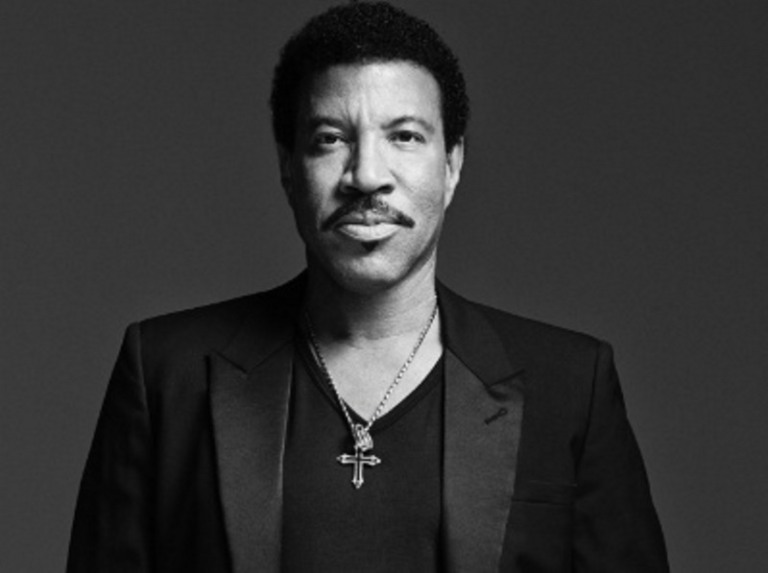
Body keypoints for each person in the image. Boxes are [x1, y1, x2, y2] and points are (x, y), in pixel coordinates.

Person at [67, 2, 669, 571]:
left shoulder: (569, 386)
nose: (366, 175)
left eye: (404, 136)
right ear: (288, 167)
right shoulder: (166, 374)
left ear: (452, 164)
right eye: (330, 138)